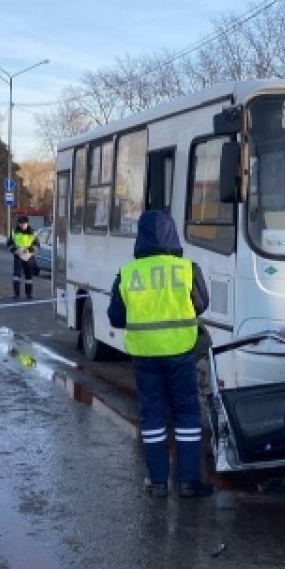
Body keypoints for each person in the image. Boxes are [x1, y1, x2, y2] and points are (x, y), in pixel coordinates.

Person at [107, 211, 212, 498]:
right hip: (181, 351)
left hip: (144, 355)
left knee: (152, 415)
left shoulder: (127, 273)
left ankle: (157, 482)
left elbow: (115, 317)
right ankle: (189, 482)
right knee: (186, 413)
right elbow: (201, 305)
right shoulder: (188, 269)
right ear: (173, 234)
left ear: (140, 237)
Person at [7, 215, 40, 299]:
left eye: (24, 224)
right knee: (16, 276)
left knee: (29, 276)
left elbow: (37, 245)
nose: (22, 226)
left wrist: (30, 250)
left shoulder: (33, 232)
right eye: (21, 224)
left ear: (27, 223)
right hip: (18, 256)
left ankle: (29, 294)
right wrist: (15, 250)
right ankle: (16, 293)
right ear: (19, 224)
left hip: (29, 257)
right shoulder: (14, 232)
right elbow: (9, 244)